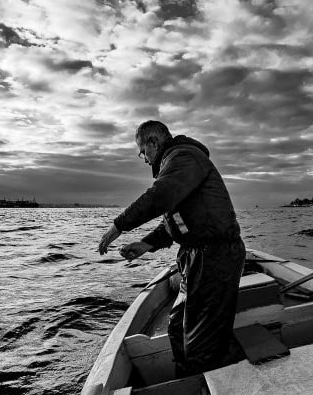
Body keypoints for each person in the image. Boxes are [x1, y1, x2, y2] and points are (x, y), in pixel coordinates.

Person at [98, 120, 245, 377]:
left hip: (215, 257)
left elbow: (160, 195)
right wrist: (146, 244)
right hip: (194, 257)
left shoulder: (184, 157)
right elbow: (176, 222)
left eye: (143, 151)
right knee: (177, 325)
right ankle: (186, 379)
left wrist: (119, 226)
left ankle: (216, 389)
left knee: (202, 345)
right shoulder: (175, 165)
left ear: (154, 142)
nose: (143, 159)